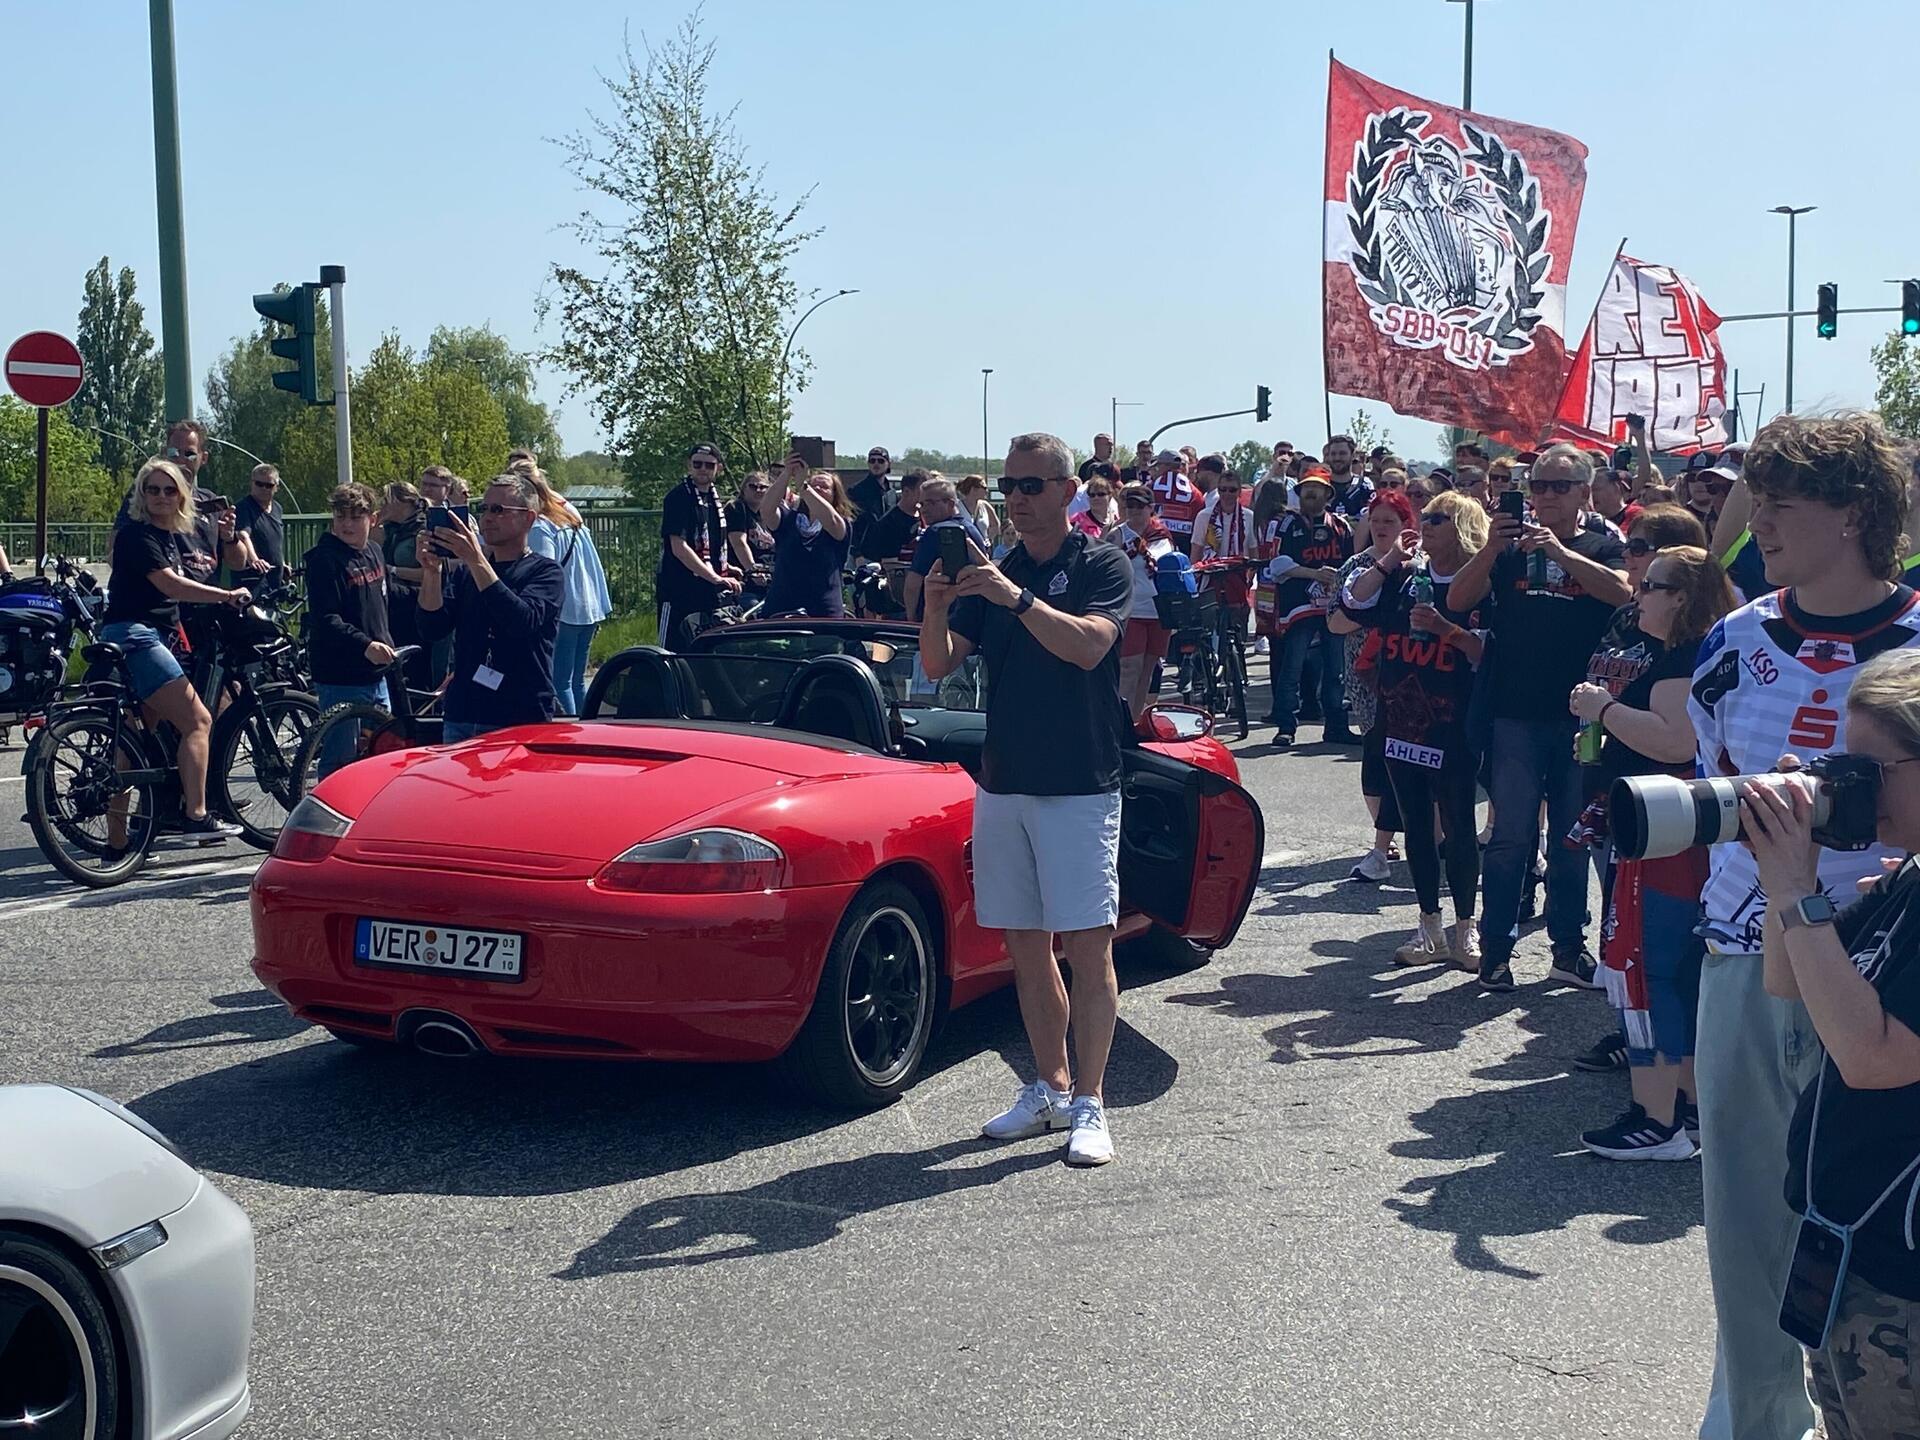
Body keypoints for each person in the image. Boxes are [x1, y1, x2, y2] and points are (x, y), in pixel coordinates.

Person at [1685, 412, 1920, 1440]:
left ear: (1858, 513)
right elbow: (1714, 797)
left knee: (1870, 1222)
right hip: (1752, 959)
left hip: (1888, 969)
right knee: (1746, 1229)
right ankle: (1755, 1421)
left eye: (1787, 496)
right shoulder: (1732, 644)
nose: (1760, 516)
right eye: (1758, 492)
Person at [920, 432, 1133, 1167]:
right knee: (1023, 943)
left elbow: (1088, 647)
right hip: (1004, 780)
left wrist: (1016, 599)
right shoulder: (1000, 566)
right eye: (1009, 487)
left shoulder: (1101, 561)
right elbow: (939, 662)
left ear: (1068, 490)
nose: (1016, 499)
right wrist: (937, 602)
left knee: (1086, 945)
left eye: (1032, 486)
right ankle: (1048, 1086)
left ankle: (1092, 1101)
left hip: (1079, 782)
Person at [1745, 648, 1920, 1440]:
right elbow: (1790, 982)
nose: (1849, 785)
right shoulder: (1909, 878)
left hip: (1905, 1281)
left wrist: (1792, 892)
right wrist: (1799, 865)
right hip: (1852, 1247)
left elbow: (1873, 1056)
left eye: (1869, 768)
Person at [1446, 443, 1631, 992]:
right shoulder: (1506, 551)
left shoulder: (1603, 545)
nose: (1544, 496)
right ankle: (1496, 952)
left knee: (1574, 837)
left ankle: (1568, 950)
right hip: (1515, 713)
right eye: (1537, 486)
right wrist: (1489, 550)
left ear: (1583, 491)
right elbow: (1457, 600)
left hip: (1584, 718)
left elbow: (1623, 594)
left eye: (1557, 486)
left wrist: (1561, 553)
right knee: (1510, 836)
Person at [1570, 545, 1734, 1159]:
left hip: (1666, 837)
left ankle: (1657, 1118)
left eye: (1655, 584)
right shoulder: (1683, 654)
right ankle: (1686, 1108)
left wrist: (1603, 709)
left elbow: (1673, 744)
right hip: (1666, 833)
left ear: (1683, 598)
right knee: (1668, 970)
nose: (1640, 592)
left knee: (1649, 969)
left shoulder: (1683, 658)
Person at [1343, 490, 1489, 965]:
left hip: (1452, 724)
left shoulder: (1479, 584)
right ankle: (1429, 924)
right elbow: (1352, 604)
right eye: (1423, 516)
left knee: (1459, 826)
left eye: (1438, 518)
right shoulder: (1408, 576)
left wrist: (1448, 630)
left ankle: (1467, 927)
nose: (1426, 524)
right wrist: (1388, 561)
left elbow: (1489, 655)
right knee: (1416, 828)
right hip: (1400, 721)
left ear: (1463, 526)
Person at [98, 457, 249, 839]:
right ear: (141, 495)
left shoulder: (166, 538)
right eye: (152, 490)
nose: (161, 497)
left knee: (134, 741)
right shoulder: (139, 534)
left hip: (136, 636)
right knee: (198, 721)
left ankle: (116, 843)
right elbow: (172, 587)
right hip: (138, 638)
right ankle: (195, 814)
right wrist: (226, 595)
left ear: (181, 496)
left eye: (169, 490)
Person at [416, 471, 564, 741]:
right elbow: (432, 627)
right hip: (464, 712)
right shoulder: (466, 573)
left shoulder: (546, 572)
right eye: (483, 508)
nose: (487, 517)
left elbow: (521, 621)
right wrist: (431, 573)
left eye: (498, 509)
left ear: (528, 518)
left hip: (519, 715)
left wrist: (475, 561)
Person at [1326, 492, 1416, 883]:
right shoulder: (1356, 566)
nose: (1381, 528)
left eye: (1389, 522)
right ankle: (1383, 838)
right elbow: (1335, 622)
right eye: (1375, 520)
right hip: (1366, 677)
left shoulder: (1419, 565)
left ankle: (1410, 840)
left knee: (1404, 760)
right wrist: (1372, 616)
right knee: (1374, 757)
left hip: (1410, 679)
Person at [304, 483, 395, 778]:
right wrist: (365, 645)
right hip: (341, 675)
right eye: (341, 516)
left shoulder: (374, 552)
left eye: (356, 517)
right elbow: (326, 618)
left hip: (377, 673)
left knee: (382, 750)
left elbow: (384, 600)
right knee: (340, 758)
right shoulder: (323, 559)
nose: (347, 524)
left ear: (373, 518)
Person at [1261, 467, 1355, 745]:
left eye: (1317, 488)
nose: (1310, 493)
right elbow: (1276, 565)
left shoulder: (1341, 525)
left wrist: (1337, 580)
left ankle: (1336, 726)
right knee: (1291, 667)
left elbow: (1352, 565)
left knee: (1335, 670)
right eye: (1305, 488)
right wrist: (1313, 574)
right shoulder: (1287, 524)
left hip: (1334, 609)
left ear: (1328, 494)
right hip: (1298, 607)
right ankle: (1286, 727)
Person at [526, 471, 612, 717]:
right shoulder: (569, 516)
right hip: (588, 605)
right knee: (576, 681)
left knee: (559, 682)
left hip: (565, 609)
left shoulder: (541, 527)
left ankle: (571, 733)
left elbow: (543, 571)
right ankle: (588, 727)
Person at [655, 444, 741, 651]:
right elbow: (679, 547)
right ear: (689, 466)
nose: (703, 469)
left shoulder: (713, 499)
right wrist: (716, 577)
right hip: (679, 588)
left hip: (706, 590)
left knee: (704, 647)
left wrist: (726, 566)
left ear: (718, 468)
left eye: (709, 465)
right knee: (671, 649)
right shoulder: (678, 498)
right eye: (697, 464)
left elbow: (708, 545)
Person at [757, 458, 853, 618]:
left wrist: (805, 487)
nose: (817, 489)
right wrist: (787, 473)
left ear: (835, 496)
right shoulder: (788, 519)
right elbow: (766, 510)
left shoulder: (841, 524)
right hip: (781, 609)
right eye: (814, 485)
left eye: (824, 487)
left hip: (824, 612)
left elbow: (831, 520)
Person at [1112, 484, 1175, 719]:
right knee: (1130, 668)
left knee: (1148, 670)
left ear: (1151, 508)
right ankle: (1119, 722)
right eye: (1130, 505)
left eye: (1140, 506)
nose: (1135, 510)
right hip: (1132, 610)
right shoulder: (1117, 535)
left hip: (1158, 611)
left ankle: (1135, 723)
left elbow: (1164, 564)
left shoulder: (1162, 535)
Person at [903, 476, 983, 622]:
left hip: (937, 618)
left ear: (951, 504)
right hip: (971, 619)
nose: (924, 509)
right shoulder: (973, 531)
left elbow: (913, 584)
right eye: (922, 504)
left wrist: (910, 619)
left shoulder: (934, 532)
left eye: (931, 503)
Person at [725, 472, 777, 607]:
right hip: (745, 583)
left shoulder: (770, 514)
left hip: (772, 583)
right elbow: (739, 543)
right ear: (744, 489)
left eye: (763, 487)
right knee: (753, 612)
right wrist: (753, 571)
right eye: (753, 486)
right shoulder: (736, 508)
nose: (758, 490)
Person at [233, 464, 287, 587]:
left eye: (269, 485)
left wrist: (282, 563)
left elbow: (276, 542)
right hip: (252, 579)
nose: (263, 488)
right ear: (252, 483)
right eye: (259, 484)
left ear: (276, 487)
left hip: (273, 577)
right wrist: (254, 560)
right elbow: (242, 534)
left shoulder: (277, 508)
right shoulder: (243, 507)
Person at [1147, 450, 1205, 555]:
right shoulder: (1195, 491)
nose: (1158, 469)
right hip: (1186, 545)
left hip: (1157, 542)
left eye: (1159, 466)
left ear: (1165, 465)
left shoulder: (1151, 487)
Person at [848, 446, 892, 555]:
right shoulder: (856, 491)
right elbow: (850, 523)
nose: (876, 464)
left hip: (889, 552)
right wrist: (856, 553)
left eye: (881, 461)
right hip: (864, 553)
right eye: (872, 461)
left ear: (888, 464)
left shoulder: (892, 493)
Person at [1322, 435, 1373, 519]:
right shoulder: (1320, 485)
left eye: (1342, 453)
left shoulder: (1365, 485)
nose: (1337, 458)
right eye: (1333, 454)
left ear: (1353, 455)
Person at [957, 473, 1002, 554]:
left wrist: (989, 539)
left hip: (983, 550)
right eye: (984, 488)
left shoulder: (985, 505)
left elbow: (995, 525)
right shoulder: (957, 507)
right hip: (964, 551)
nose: (987, 491)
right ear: (973, 489)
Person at [1071, 465, 1119, 538]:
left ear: (1110, 496)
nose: (1096, 498)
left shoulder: (1116, 519)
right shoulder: (1076, 521)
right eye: (1092, 495)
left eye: (1101, 494)